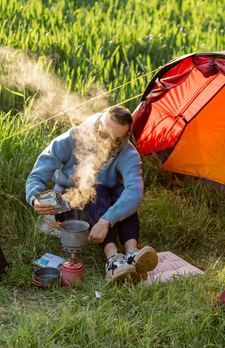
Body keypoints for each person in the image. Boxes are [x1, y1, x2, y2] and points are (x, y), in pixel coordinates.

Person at [26, 106, 158, 283]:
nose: (107, 143)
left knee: (120, 192)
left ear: (126, 137)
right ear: (97, 126)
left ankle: (131, 254)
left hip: (102, 207)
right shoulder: (69, 140)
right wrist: (35, 197)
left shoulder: (128, 153)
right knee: (96, 189)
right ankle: (112, 259)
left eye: (116, 141)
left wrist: (106, 220)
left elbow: (134, 191)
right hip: (70, 203)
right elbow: (37, 174)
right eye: (104, 135)